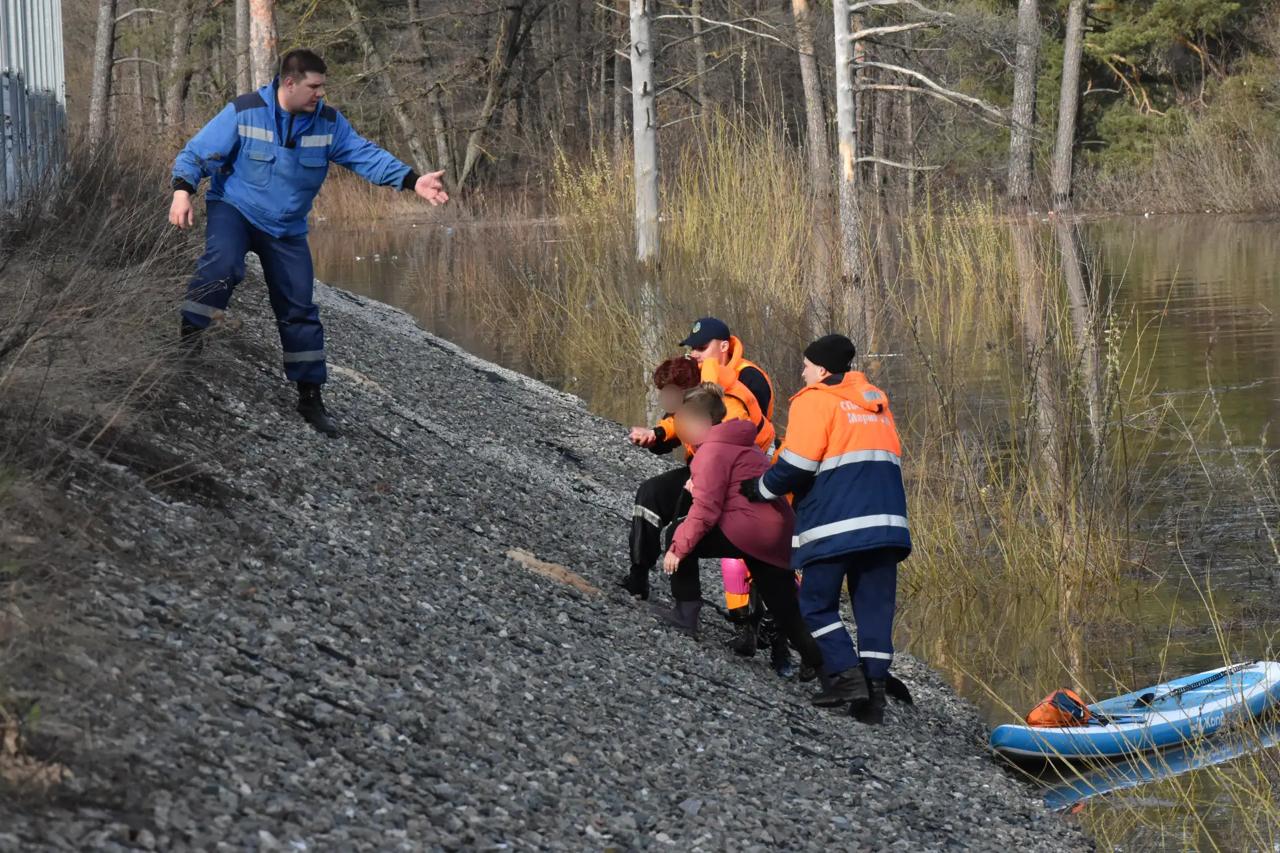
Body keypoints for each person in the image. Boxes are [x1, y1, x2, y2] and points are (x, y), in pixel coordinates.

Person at [169, 48, 449, 437]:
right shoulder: (244, 111)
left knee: (299, 306)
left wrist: (411, 179)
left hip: (285, 226)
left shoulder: (329, 124)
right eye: (314, 86)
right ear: (288, 82)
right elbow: (196, 153)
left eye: (323, 87)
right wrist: (183, 190)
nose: (320, 94)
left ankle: (309, 395)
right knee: (223, 264)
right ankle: (189, 339)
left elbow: (364, 155)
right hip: (236, 208)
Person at [743, 334, 911, 725]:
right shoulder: (877, 403)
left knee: (816, 604)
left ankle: (845, 675)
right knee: (875, 611)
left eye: (805, 365)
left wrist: (761, 488)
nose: (802, 372)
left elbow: (798, 463)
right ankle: (874, 699)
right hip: (887, 525)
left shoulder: (815, 400)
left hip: (836, 523)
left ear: (820, 369)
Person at [655, 385, 823, 680]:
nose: (682, 432)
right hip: (779, 533)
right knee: (784, 603)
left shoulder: (711, 451)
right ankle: (821, 664)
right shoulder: (744, 443)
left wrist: (678, 549)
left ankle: (686, 614)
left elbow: (706, 510)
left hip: (748, 531)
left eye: (684, 425)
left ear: (703, 422)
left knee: (678, 532)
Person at [624, 356, 765, 600]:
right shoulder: (687, 409)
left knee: (683, 525)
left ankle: (699, 606)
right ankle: (639, 575)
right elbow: (674, 426)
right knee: (650, 494)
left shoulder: (728, 408)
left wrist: (702, 480)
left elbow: (734, 455)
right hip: (702, 472)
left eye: (670, 393)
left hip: (735, 485)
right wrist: (654, 435)